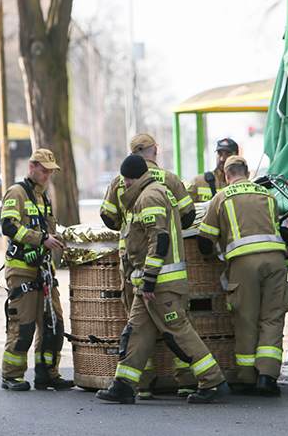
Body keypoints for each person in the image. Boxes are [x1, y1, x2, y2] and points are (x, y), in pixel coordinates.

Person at [96, 154, 230, 405]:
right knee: (135, 333)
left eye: (124, 181)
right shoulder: (150, 192)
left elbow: (159, 240)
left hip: (160, 284)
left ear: (130, 178)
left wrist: (149, 279)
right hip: (148, 282)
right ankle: (123, 385)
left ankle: (213, 382)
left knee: (178, 332)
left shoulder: (149, 196)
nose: (123, 186)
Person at [99, 132, 197, 398]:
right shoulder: (170, 180)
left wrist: (130, 225)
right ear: (154, 151)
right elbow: (189, 217)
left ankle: (142, 384)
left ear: (132, 154)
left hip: (130, 261)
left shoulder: (119, 181)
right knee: (176, 321)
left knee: (136, 323)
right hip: (165, 262)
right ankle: (186, 381)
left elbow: (107, 217)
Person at [196, 155, 288, 396]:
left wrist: (212, 256)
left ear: (226, 175)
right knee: (272, 318)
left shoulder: (221, 197)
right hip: (276, 261)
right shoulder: (268, 195)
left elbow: (205, 240)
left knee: (246, 320)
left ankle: (248, 378)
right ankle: (268, 378)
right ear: (247, 173)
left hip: (244, 264)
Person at [0, 149, 73, 392]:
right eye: (43, 170)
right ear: (31, 168)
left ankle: (47, 374)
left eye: (50, 171)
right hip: (22, 271)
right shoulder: (17, 192)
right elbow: (9, 226)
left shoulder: (43, 198)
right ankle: (12, 376)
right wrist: (40, 239)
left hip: (44, 270)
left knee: (54, 325)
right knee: (24, 326)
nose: (47, 175)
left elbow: (49, 230)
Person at [187, 137, 239, 203]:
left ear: (237, 157)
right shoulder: (199, 182)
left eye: (228, 155)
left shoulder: (242, 184)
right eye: (220, 154)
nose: (222, 159)